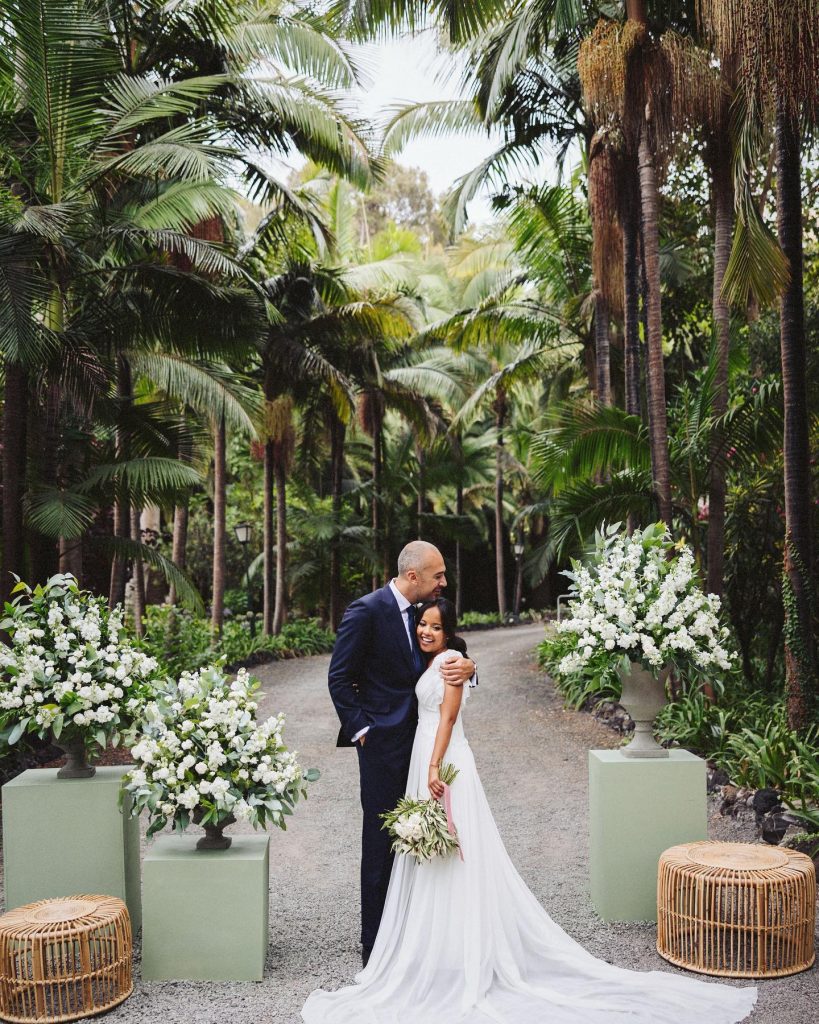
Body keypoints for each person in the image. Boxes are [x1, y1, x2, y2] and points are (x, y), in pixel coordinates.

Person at [304, 599, 757, 1024]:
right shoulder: (426, 653)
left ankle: (461, 950)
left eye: (435, 626)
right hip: (421, 755)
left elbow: (445, 717)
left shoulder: (448, 663)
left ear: (448, 633)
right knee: (430, 853)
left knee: (455, 849)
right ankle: (432, 945)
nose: (425, 630)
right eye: (423, 623)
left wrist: (433, 764)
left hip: (440, 760)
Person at [327, 541, 476, 967]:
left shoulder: (427, 615)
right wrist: (363, 732)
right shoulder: (366, 610)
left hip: (424, 748)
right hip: (382, 749)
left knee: (425, 839)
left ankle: (416, 933)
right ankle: (373, 948)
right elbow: (339, 678)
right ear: (414, 577)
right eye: (438, 575)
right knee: (380, 843)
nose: (443, 582)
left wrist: (471, 667)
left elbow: (451, 655)